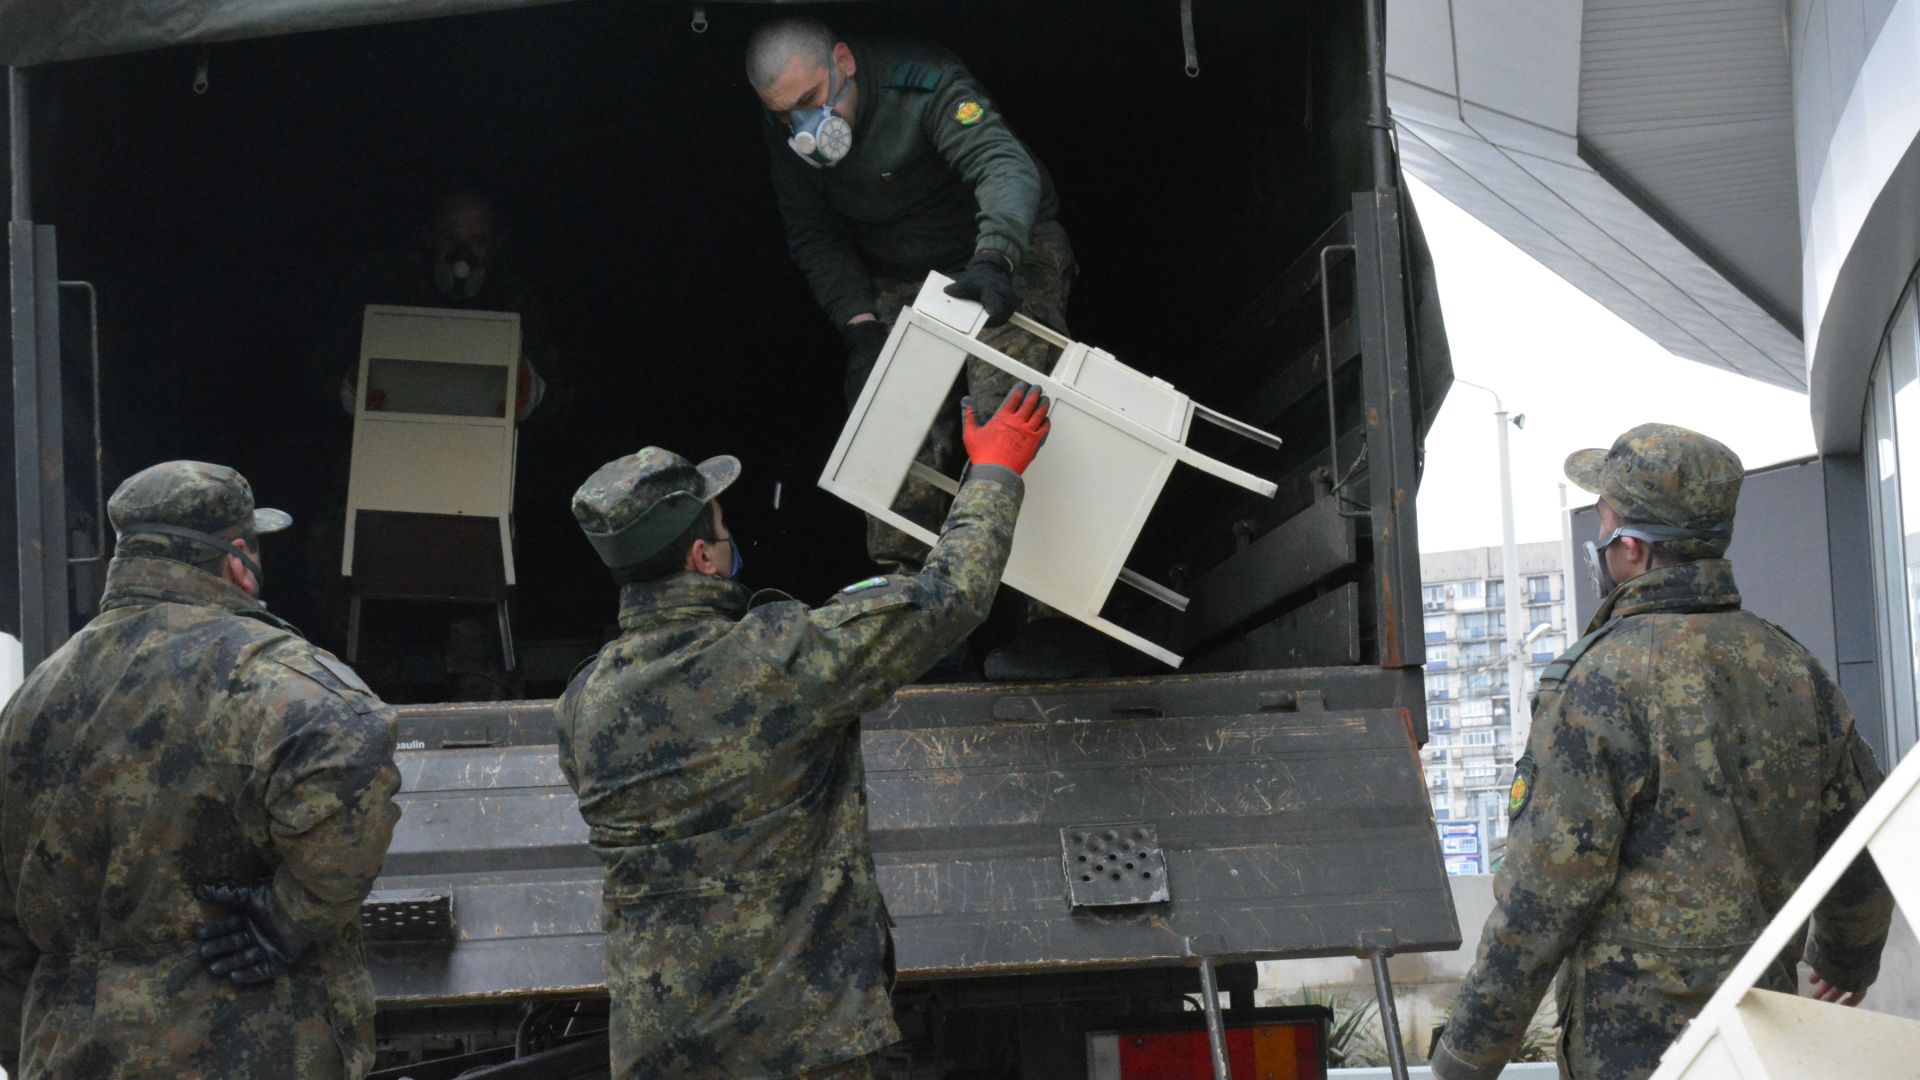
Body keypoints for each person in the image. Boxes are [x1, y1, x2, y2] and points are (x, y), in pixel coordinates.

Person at [557, 385, 1051, 1078]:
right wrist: (996, 471)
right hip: (807, 1045)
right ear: (702, 558)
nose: (733, 542)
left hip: (663, 1054)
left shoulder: (583, 702)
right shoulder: (775, 659)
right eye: (724, 531)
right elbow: (948, 597)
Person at [1430, 424, 1894, 1080]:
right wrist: (1848, 960)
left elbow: (1545, 895)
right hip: (1760, 1044)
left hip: (1636, 1057)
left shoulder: (1599, 679)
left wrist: (1465, 1055)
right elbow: (1860, 845)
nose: (1598, 536)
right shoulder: (1794, 668)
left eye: (1604, 518)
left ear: (1631, 550)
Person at [0, 461, 401, 1079]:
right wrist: (291, 918)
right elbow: (354, 742)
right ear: (237, 557)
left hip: (68, 1050)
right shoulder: (270, 673)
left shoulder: (32, 701)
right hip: (244, 1042)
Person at [747, 18, 1093, 678]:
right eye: (785, 114)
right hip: (903, 272)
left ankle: (1050, 620)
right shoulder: (784, 129)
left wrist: (995, 258)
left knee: (1010, 404)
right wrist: (860, 330)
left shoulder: (924, 84)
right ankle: (910, 616)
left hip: (1002, 249)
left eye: (812, 100)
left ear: (843, 59)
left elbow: (1003, 166)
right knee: (889, 415)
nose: (803, 126)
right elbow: (813, 235)